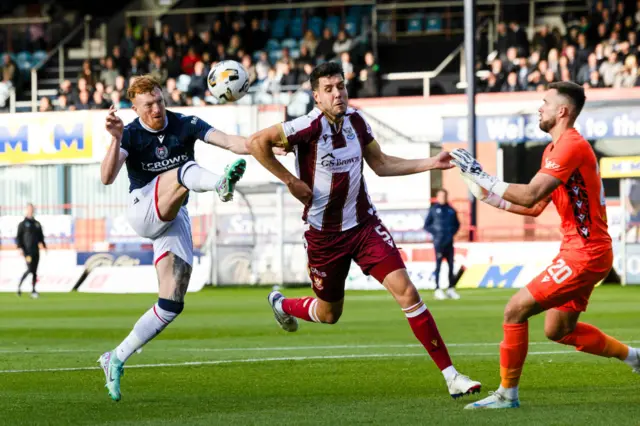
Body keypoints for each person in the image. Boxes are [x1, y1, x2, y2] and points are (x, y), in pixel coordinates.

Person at [247, 62, 481, 399]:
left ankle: (451, 376)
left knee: (408, 292)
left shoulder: (357, 121)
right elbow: (257, 142)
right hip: (324, 236)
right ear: (316, 97)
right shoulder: (306, 127)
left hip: (364, 227)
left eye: (340, 86)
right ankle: (282, 305)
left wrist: (432, 163)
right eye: (328, 89)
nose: (337, 93)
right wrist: (291, 181)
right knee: (329, 314)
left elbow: (382, 165)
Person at [451, 81, 640, 410]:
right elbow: (535, 206)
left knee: (514, 310)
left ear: (562, 111)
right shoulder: (554, 150)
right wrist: (485, 192)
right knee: (558, 330)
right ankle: (635, 357)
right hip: (581, 250)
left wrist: (483, 176)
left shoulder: (570, 146)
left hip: (585, 253)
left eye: (545, 102)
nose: (540, 107)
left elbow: (529, 194)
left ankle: (507, 394)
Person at [97, 75, 249, 402]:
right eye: (148, 104)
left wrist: (265, 142)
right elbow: (107, 177)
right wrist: (115, 139)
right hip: (142, 208)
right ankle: (220, 184)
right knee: (184, 169)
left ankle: (116, 357)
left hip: (173, 212)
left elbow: (229, 142)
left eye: (159, 100)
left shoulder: (184, 124)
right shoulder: (132, 134)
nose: (157, 108)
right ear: (135, 108)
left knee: (172, 302)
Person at [424, 189, 460, 300]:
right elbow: (426, 225)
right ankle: (437, 289)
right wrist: (436, 233)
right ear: (437, 197)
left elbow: (457, 224)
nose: (443, 198)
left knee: (451, 266)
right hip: (439, 243)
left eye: (444, 195)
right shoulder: (434, 210)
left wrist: (450, 233)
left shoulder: (451, 210)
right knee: (439, 266)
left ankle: (450, 289)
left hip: (449, 242)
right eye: (440, 196)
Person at [16, 203, 47, 298]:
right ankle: (19, 287)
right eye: (29, 209)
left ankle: (33, 290)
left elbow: (41, 237)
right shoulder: (22, 224)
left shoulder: (37, 224)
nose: (31, 210)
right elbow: (18, 237)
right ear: (26, 210)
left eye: (32, 209)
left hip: (36, 251)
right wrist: (20, 248)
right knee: (30, 269)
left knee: (34, 271)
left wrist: (44, 246)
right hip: (27, 251)